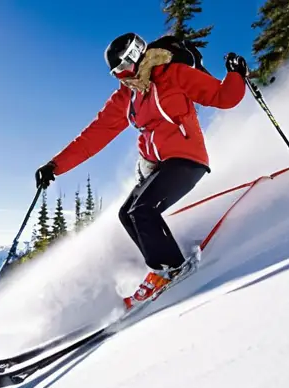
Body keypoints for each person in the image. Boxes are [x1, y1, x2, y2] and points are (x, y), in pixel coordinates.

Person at [34, 32, 249, 305]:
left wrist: (236, 75)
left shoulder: (174, 75)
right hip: (158, 166)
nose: (122, 76)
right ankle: (161, 268)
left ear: (136, 56)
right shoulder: (128, 96)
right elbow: (94, 135)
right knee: (127, 214)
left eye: (123, 67)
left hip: (187, 159)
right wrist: (55, 165)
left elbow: (222, 97)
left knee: (142, 210)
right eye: (116, 73)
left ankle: (171, 267)